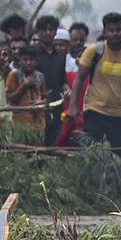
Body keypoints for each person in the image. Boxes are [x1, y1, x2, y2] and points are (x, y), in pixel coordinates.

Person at [68, 12, 121, 158]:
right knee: (91, 155)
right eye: (111, 30)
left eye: (118, 30)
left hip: (119, 114)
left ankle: (116, 181)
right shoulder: (94, 51)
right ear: (105, 31)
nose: (115, 33)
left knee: (118, 158)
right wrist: (73, 105)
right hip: (94, 110)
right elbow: (79, 79)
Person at [33, 16, 67, 146]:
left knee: (53, 142)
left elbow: (62, 81)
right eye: (44, 30)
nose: (48, 33)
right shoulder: (33, 55)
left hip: (56, 105)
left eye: (51, 30)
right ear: (38, 32)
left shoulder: (60, 56)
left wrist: (66, 89)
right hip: (37, 107)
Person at [6, 46, 47, 134]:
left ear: (36, 61)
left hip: (38, 121)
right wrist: (24, 85)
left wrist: (41, 102)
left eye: (31, 60)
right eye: (25, 60)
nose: (28, 62)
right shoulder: (14, 75)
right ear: (20, 61)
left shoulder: (40, 76)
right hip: (20, 121)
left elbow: (45, 97)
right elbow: (9, 98)